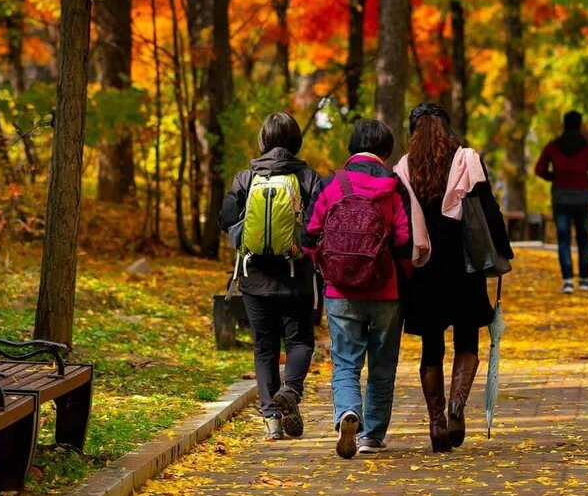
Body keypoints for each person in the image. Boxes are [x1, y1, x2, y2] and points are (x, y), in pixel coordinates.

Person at [396, 103, 513, 452]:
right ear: (447, 128)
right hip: (464, 264)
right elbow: (488, 208)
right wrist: (502, 250)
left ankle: (436, 422)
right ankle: (457, 406)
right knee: (467, 340)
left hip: (424, 267)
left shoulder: (404, 167)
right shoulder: (467, 160)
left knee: (431, 347)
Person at [304, 119, 413, 459]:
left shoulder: (332, 184)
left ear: (352, 147)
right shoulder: (395, 187)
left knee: (346, 362)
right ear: (386, 151)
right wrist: (402, 277)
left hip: (341, 292)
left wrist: (327, 268)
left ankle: (348, 412)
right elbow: (405, 240)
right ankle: (371, 436)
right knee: (382, 366)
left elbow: (308, 235)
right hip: (386, 290)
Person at [217, 112, 321, 442]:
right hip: (296, 275)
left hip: (254, 275)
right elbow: (319, 224)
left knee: (264, 348)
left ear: (263, 141)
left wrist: (245, 240)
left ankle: (272, 420)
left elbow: (226, 219)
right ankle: (290, 389)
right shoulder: (307, 177)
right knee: (300, 341)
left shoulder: (246, 177)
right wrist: (300, 248)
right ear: (296, 141)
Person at [534, 110, 588, 294]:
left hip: (561, 198)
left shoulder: (553, 146)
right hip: (582, 198)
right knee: (583, 239)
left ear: (564, 124)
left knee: (563, 240)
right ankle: (584, 279)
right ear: (579, 125)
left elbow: (539, 169)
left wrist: (554, 177)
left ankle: (567, 281)